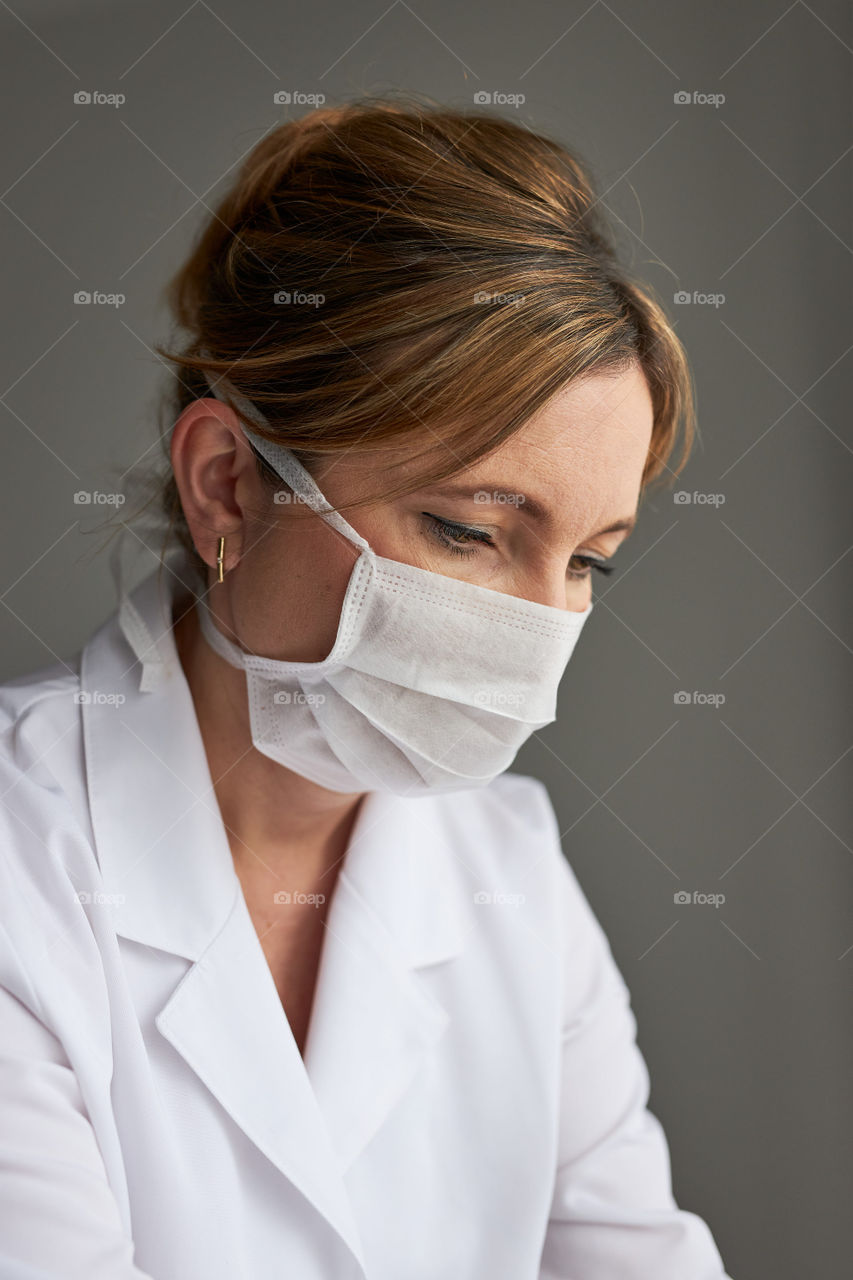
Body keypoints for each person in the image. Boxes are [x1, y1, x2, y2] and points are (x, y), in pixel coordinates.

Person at [0, 97, 733, 1278]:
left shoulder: (511, 874)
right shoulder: (21, 865)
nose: (540, 627)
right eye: (467, 529)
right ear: (230, 484)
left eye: (589, 559)